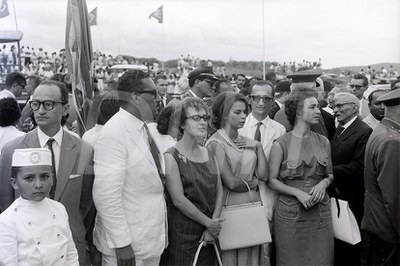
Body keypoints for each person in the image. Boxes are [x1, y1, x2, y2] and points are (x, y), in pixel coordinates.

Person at [0, 80, 95, 265]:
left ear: (65, 109)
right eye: (35, 104)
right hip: (26, 253)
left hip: (71, 250)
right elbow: (5, 201)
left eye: (48, 104)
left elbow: (87, 204)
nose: (40, 110)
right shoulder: (12, 150)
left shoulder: (85, 150)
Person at [93, 70, 167, 266]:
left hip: (148, 242)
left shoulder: (144, 128)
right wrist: (122, 244)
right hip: (128, 247)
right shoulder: (114, 133)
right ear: (135, 97)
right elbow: (106, 195)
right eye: (153, 93)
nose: (159, 98)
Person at [268, 87, 334, 265]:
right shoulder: (281, 143)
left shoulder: (323, 141)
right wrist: (297, 193)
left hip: (320, 213)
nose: (318, 111)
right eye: (312, 107)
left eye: (318, 107)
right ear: (298, 111)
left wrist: (322, 184)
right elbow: (272, 181)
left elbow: (329, 175)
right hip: (290, 215)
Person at [207, 92, 268, 265]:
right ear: (225, 114)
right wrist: (253, 183)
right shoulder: (216, 142)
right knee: (232, 257)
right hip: (230, 207)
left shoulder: (246, 140)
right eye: (238, 112)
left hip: (252, 205)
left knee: (252, 258)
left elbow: (264, 175)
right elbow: (231, 182)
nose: (243, 116)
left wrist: (258, 146)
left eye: (244, 112)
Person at [161, 98, 224, 265]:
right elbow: (179, 200)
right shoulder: (171, 156)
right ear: (182, 124)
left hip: (210, 231)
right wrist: (209, 223)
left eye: (205, 118)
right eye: (196, 118)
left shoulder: (209, 152)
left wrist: (213, 224)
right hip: (183, 234)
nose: (203, 122)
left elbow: (219, 191)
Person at [0, 148, 78, 265]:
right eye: (29, 178)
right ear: (14, 183)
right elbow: (8, 262)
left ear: (52, 179)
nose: (38, 185)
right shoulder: (7, 219)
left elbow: (71, 253)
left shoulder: (59, 208)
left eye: (44, 177)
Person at [238, 80, 286, 265]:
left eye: (266, 98)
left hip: (267, 196)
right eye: (256, 98)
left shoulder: (279, 129)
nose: (261, 103)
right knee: (242, 249)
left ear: (273, 101)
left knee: (266, 250)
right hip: (241, 196)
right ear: (249, 99)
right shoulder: (238, 127)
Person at [330, 92, 372, 265]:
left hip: (351, 197)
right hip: (337, 195)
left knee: (350, 244)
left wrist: (327, 171)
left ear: (354, 107)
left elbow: (358, 167)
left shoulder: (364, 131)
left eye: (339, 106)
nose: (335, 110)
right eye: (334, 106)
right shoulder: (340, 128)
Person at [360, 88, 400, 265]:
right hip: (388, 230)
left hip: (378, 224)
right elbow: (393, 197)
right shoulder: (392, 140)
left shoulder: (383, 130)